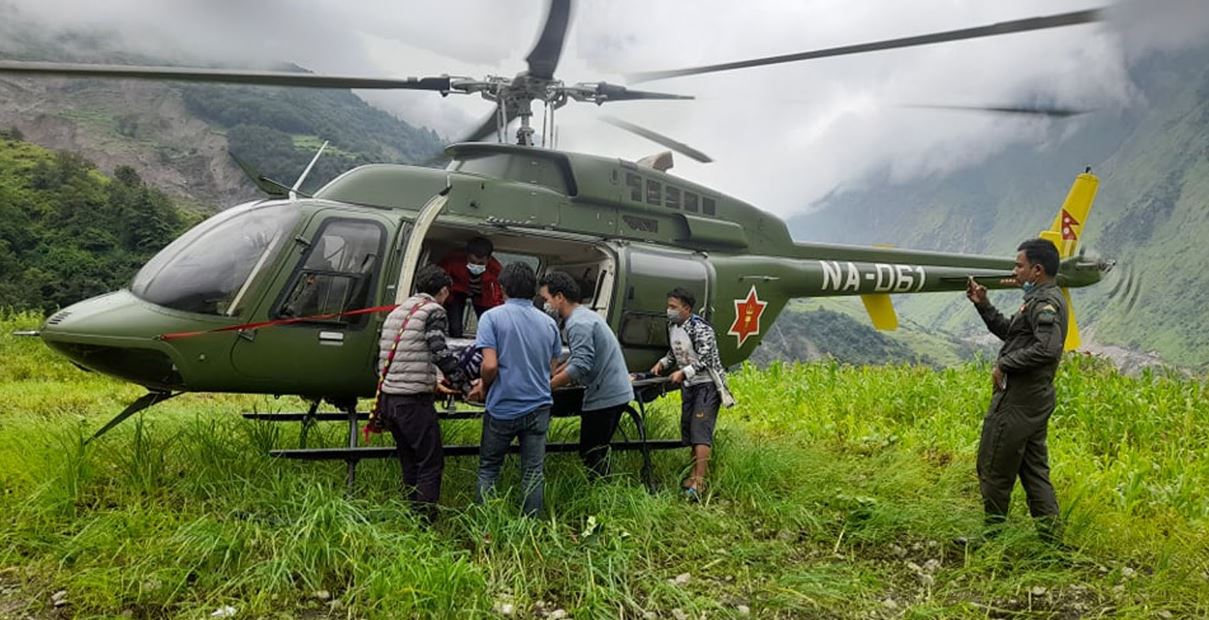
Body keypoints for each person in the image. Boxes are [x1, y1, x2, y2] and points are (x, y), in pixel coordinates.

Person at [965, 238, 1068, 542]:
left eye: (1019, 265)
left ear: (1036, 270)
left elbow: (1047, 349)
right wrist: (983, 305)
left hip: (1019, 400)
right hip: (1033, 401)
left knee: (995, 463)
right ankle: (1053, 544)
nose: (1015, 270)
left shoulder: (1046, 303)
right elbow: (1012, 332)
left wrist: (1005, 364)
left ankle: (992, 540)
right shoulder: (1038, 299)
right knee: (1034, 471)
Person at [468, 262, 562, 516]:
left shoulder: (491, 317)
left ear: (502, 288)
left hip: (503, 406)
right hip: (539, 406)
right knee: (533, 471)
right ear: (533, 289)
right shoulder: (548, 323)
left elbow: (489, 365)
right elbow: (552, 370)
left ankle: (485, 528)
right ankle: (531, 527)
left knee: (489, 469)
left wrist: (483, 386)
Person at [373, 264, 464, 523]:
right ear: (444, 291)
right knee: (430, 463)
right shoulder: (434, 310)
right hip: (413, 401)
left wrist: (434, 379)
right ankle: (425, 523)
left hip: (390, 398)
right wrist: (461, 381)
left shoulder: (398, 312)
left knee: (409, 460)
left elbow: (407, 352)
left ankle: (411, 514)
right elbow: (438, 349)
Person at [540, 270, 635, 478]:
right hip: (614, 391)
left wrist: (546, 388)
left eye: (546, 299)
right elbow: (577, 358)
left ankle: (602, 500)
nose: (545, 305)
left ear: (559, 297)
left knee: (592, 454)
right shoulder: (585, 316)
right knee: (595, 451)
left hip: (606, 395)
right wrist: (557, 371)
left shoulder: (578, 324)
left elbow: (580, 366)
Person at [650, 287, 726, 501]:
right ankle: (694, 474)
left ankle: (700, 482)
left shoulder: (701, 329)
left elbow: (706, 360)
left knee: (701, 431)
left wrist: (683, 373)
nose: (669, 311)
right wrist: (663, 363)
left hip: (706, 385)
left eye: (674, 307)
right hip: (690, 386)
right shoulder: (673, 326)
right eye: (668, 306)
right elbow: (674, 352)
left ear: (687, 308)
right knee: (690, 429)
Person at [438, 237, 504, 338]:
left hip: (483, 294)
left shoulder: (496, 271)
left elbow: (498, 296)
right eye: (472, 261)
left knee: (487, 325)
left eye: (481, 263)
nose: (476, 265)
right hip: (456, 291)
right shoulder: (453, 261)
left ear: (489, 259)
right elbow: (439, 281)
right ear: (467, 256)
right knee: (455, 326)